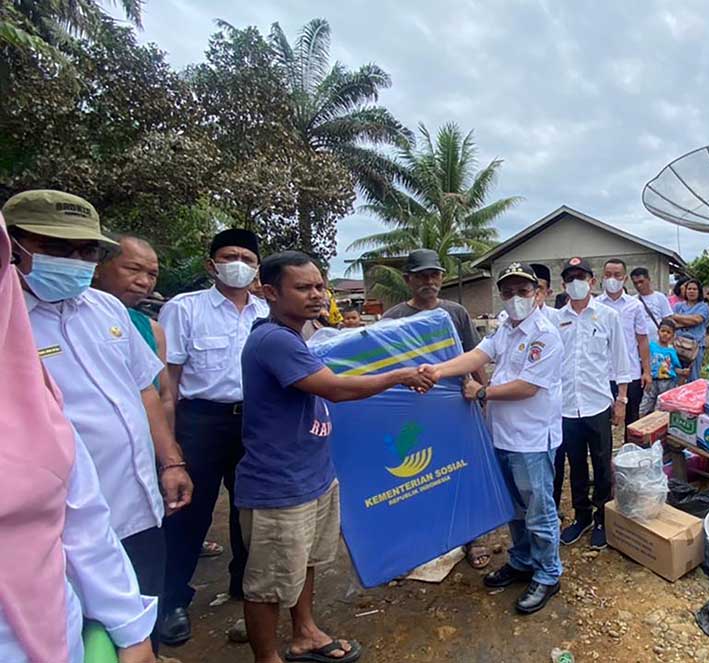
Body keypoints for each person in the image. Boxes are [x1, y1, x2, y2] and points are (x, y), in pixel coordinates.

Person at [6, 190, 192, 654]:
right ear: (14, 247)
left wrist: (170, 462)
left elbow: (143, 389)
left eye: (85, 251)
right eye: (55, 248)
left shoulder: (108, 311)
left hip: (135, 504)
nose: (74, 260)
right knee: (79, 633)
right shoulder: (10, 324)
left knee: (139, 620)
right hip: (59, 524)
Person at [239, 251, 435, 663]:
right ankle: (266, 657)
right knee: (270, 580)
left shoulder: (297, 335)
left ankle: (305, 632)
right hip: (281, 483)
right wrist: (400, 374)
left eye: (319, 286)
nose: (316, 295)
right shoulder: (274, 339)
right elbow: (336, 389)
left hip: (312, 472)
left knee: (305, 561)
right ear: (271, 292)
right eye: (303, 287)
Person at [420, 262, 564, 615]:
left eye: (523, 291)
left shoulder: (545, 333)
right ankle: (522, 560)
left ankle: (548, 573)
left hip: (532, 438)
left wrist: (482, 392)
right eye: (509, 291)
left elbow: (528, 387)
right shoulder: (506, 328)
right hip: (502, 435)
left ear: (539, 294)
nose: (515, 298)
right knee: (513, 508)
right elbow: (477, 355)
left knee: (539, 510)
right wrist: (437, 371)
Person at [155, 228, 268, 645]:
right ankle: (173, 601)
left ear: (257, 268)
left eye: (247, 258)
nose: (238, 264)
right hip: (201, 420)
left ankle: (244, 584)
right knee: (188, 511)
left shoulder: (266, 311)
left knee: (251, 507)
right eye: (229, 255)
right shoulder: (184, 310)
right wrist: (170, 443)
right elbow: (169, 380)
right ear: (211, 264)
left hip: (256, 421)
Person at [381, 248, 491, 569]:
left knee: (463, 469)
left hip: (457, 405)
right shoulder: (393, 319)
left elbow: (476, 356)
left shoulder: (456, 312)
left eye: (434, 275)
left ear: (442, 278)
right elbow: (384, 367)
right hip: (413, 411)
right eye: (422, 276)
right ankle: (429, 539)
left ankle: (474, 536)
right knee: (420, 474)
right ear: (408, 280)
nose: (429, 281)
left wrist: (481, 396)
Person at [552, 257, 630, 548]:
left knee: (600, 463)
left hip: (598, 403)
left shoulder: (608, 316)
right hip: (566, 406)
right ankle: (581, 516)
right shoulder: (556, 318)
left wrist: (621, 399)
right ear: (563, 285)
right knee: (576, 464)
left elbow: (621, 359)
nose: (576, 283)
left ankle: (601, 518)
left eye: (581, 277)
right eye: (570, 278)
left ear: (592, 282)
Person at [93, 233, 176, 410]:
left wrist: (167, 438)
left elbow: (164, 396)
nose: (144, 282)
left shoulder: (152, 330)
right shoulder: (64, 322)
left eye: (152, 274)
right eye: (132, 269)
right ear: (97, 268)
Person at [595, 258, 651, 425]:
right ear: (602, 277)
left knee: (632, 419)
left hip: (631, 372)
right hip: (602, 374)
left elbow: (642, 340)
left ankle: (631, 451)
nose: (612, 279)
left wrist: (646, 371)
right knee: (603, 422)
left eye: (617, 275)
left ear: (625, 279)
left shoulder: (635, 306)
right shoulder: (595, 306)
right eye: (608, 274)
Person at [639, 318, 687, 416]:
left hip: (667, 382)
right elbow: (644, 360)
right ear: (658, 332)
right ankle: (640, 423)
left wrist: (682, 372)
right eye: (663, 331)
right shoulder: (651, 346)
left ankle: (656, 426)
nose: (665, 334)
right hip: (651, 380)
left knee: (661, 406)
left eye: (668, 332)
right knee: (646, 403)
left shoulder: (672, 351)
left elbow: (675, 367)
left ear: (673, 336)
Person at [670, 278, 709, 381]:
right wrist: (687, 320)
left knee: (693, 376)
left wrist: (676, 317)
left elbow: (696, 320)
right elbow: (671, 322)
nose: (691, 291)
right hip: (678, 345)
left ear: (699, 291)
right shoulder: (678, 306)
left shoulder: (703, 307)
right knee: (676, 375)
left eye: (694, 289)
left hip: (695, 347)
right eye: (689, 289)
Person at [631, 266, 673, 342]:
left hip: (658, 343)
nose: (639, 285)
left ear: (649, 280)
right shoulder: (632, 301)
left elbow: (668, 320)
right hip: (639, 342)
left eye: (641, 281)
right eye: (635, 283)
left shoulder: (660, 297)